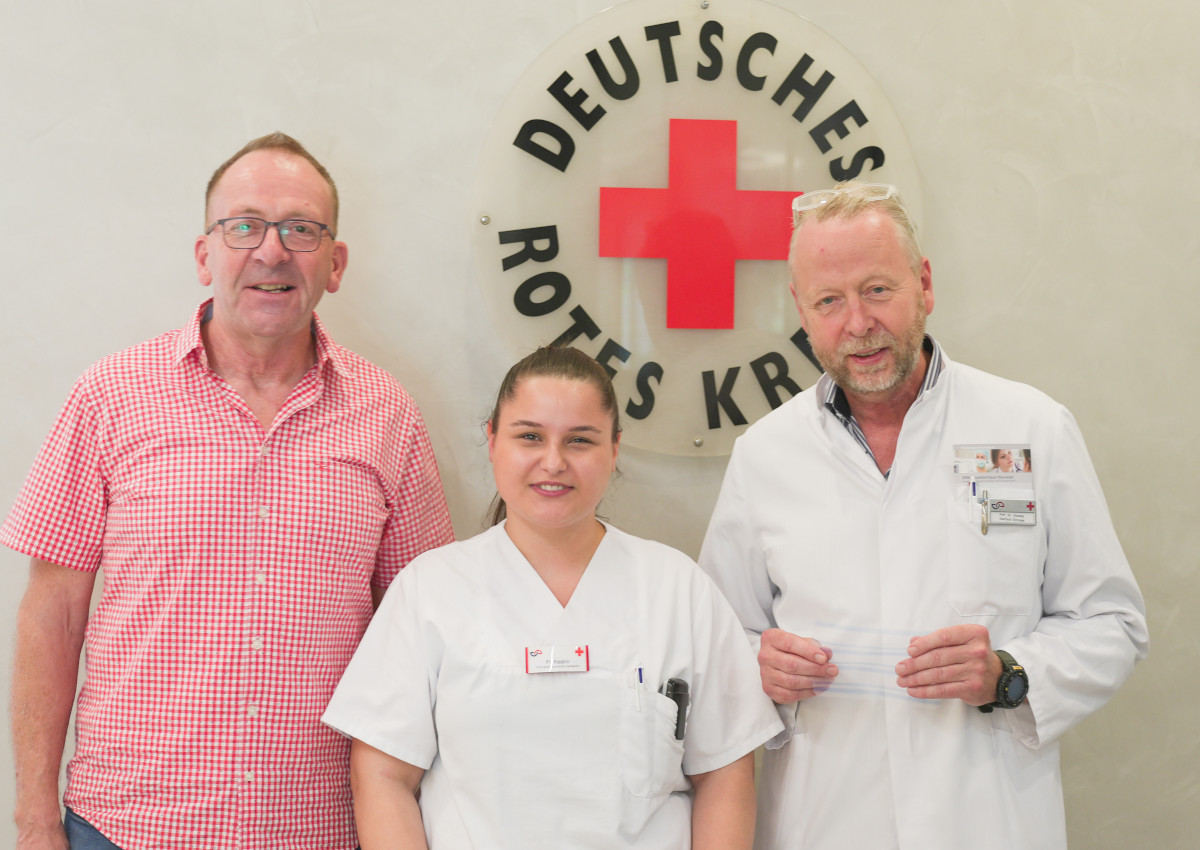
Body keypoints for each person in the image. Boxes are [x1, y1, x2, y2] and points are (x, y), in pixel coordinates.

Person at [2, 133, 454, 850]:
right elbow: (50, 618)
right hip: (124, 827)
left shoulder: (388, 415)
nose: (271, 251)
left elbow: (427, 632)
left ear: (334, 265)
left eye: (301, 229)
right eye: (243, 225)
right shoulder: (110, 397)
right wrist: (32, 819)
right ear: (205, 253)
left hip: (321, 831)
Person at [698, 181, 1148, 850]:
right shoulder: (765, 455)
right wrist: (758, 668)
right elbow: (714, 645)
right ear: (801, 310)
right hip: (823, 824)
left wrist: (1010, 673)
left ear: (924, 284)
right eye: (829, 301)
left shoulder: (1028, 428)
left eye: (877, 290)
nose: (857, 323)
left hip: (988, 824)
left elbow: (1113, 624)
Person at [322, 346, 783, 849]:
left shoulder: (678, 589)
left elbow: (724, 775)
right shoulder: (430, 590)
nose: (553, 462)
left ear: (614, 449)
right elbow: (383, 776)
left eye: (580, 440)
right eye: (530, 437)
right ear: (493, 440)